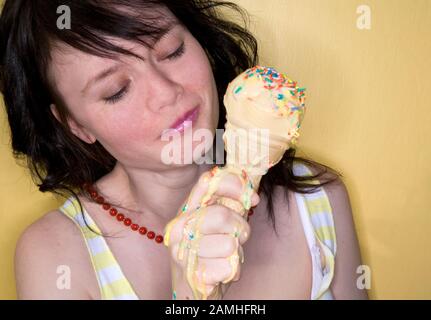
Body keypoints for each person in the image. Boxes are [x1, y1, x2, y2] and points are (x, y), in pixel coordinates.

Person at [0, 0, 368, 300]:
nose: (165, 92)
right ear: (74, 124)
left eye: (171, 50)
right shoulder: (53, 256)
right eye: (116, 90)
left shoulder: (320, 196)